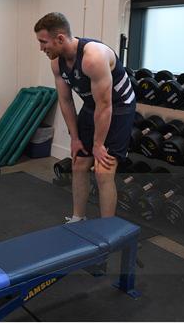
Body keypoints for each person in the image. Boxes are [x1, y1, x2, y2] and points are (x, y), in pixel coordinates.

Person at [34, 12, 136, 222]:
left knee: (103, 170)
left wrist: (98, 145)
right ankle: (78, 218)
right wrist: (74, 138)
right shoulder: (56, 63)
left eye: (44, 42)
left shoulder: (93, 58)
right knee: (79, 162)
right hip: (93, 106)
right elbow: (66, 101)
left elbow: (106, 106)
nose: (41, 48)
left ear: (60, 38)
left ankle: (107, 230)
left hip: (119, 107)